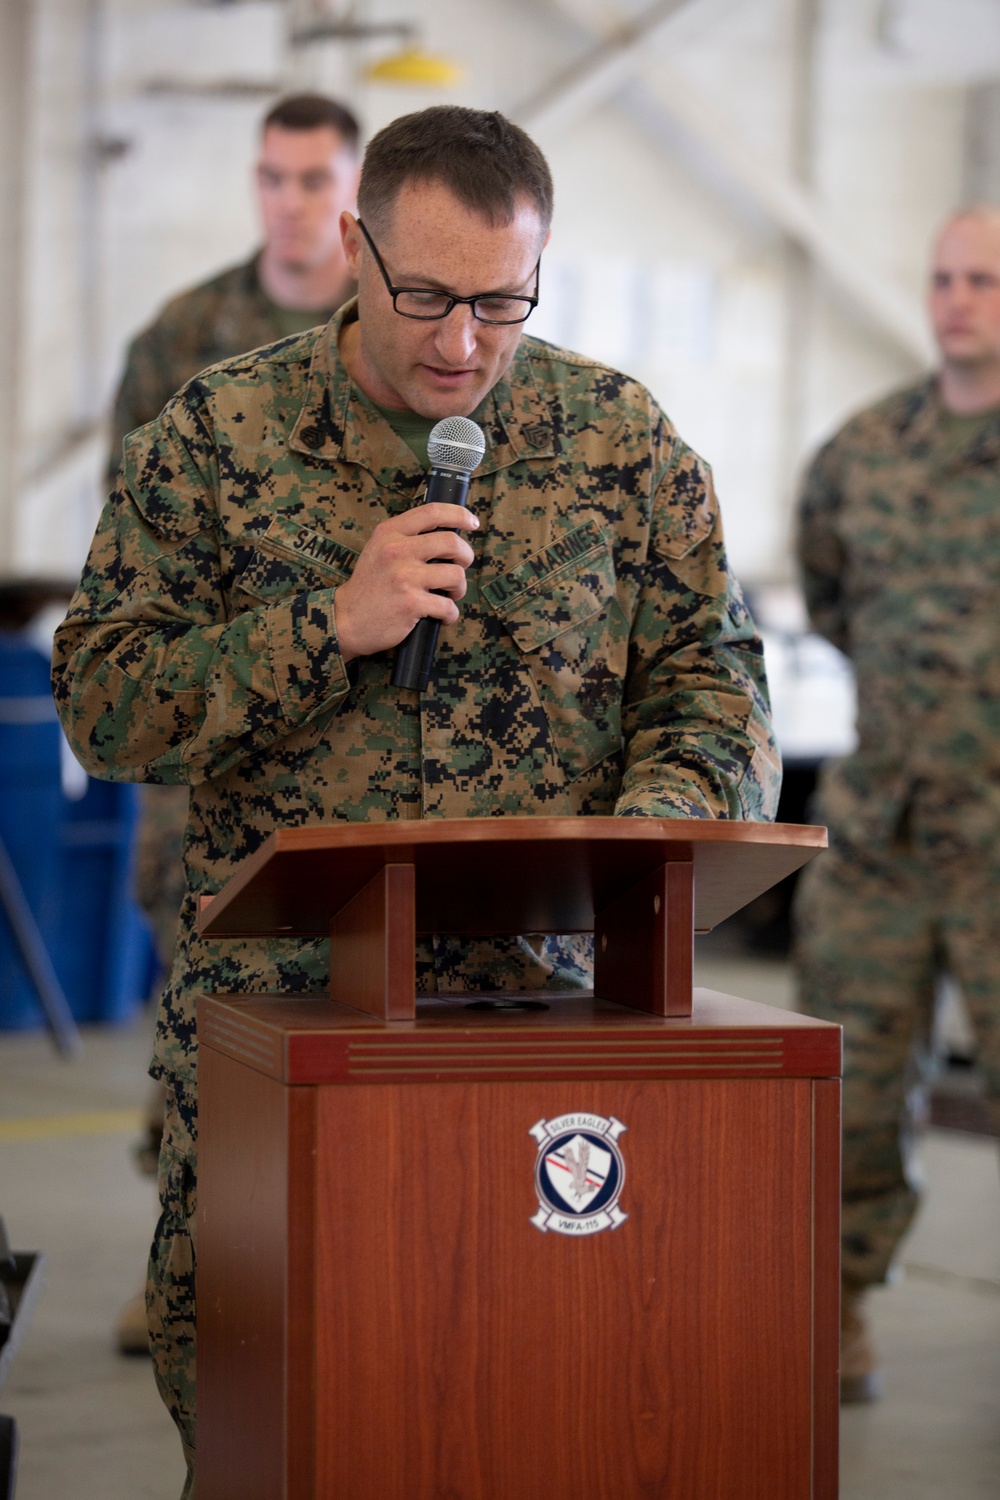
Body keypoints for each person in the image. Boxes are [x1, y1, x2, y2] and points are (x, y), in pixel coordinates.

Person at [53, 104, 779, 1495]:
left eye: (502, 303)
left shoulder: (618, 441)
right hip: (283, 1030)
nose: (462, 343)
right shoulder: (217, 435)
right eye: (428, 295)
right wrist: (327, 625)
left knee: (537, 1415)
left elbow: (715, 679)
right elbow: (102, 698)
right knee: (274, 1427)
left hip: (550, 1029)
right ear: (355, 246)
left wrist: (651, 835)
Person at [107, 88, 362, 1358]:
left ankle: (342, 1273)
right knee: (197, 997)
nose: (290, 202)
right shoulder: (185, 338)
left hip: (363, 737)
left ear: (354, 192)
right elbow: (132, 557)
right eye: (272, 177)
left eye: (313, 179)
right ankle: (189, 1267)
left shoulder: (402, 327)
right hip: (215, 734)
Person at [794, 206, 1000, 1403]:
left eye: (983, 280)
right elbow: (829, 600)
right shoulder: (861, 452)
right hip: (884, 835)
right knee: (850, 1092)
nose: (956, 300)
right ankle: (835, 1312)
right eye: (943, 278)